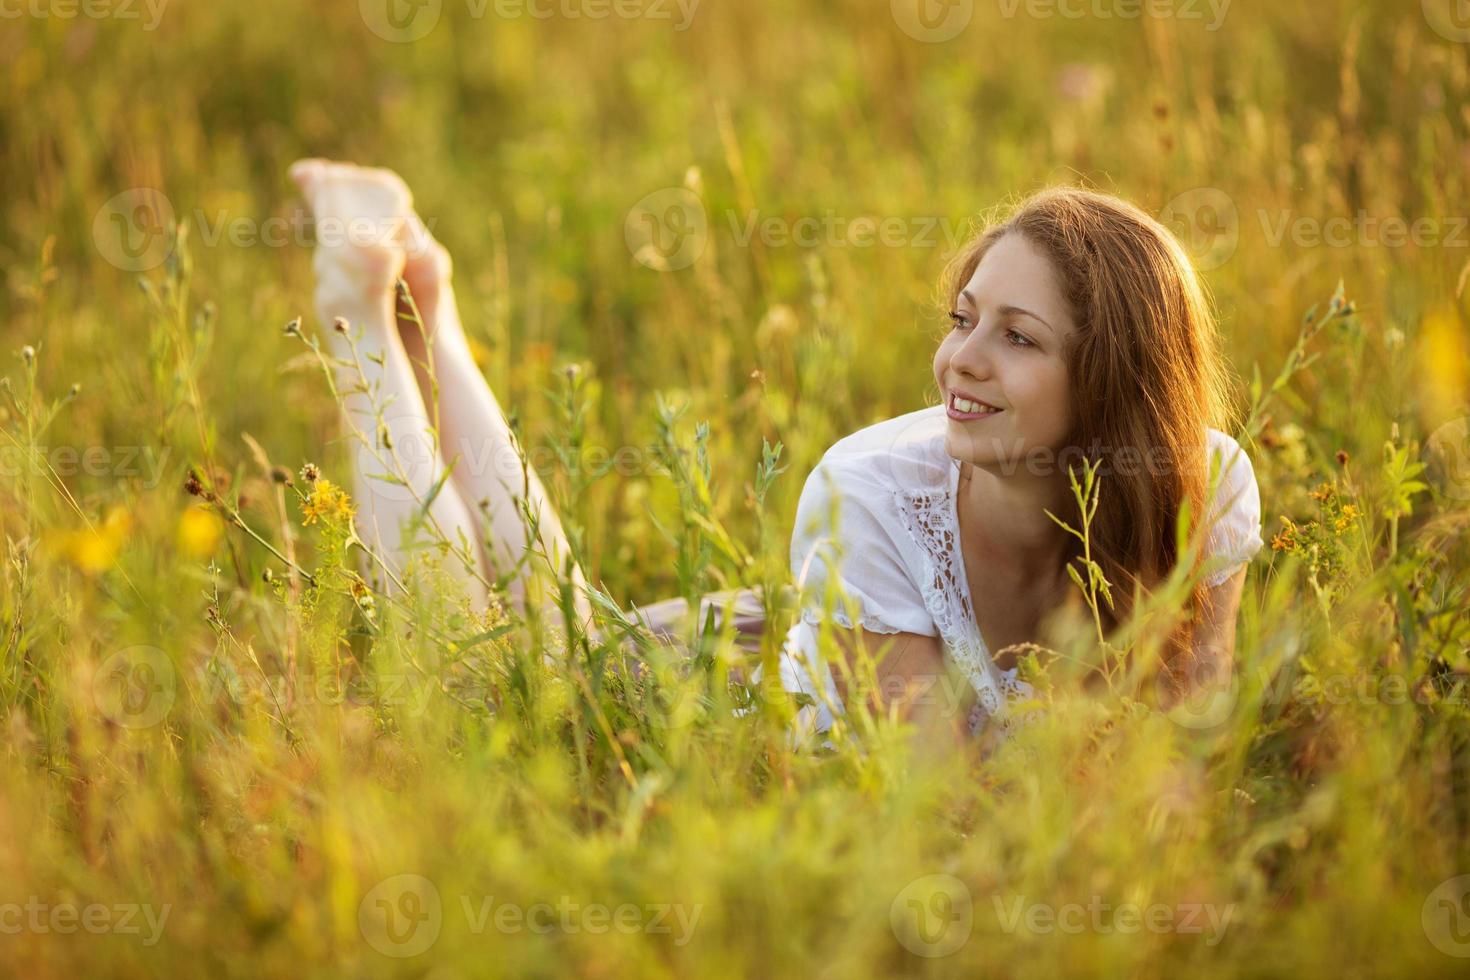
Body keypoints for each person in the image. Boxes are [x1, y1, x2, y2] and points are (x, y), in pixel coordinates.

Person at [289, 161, 1263, 752]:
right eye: (963, 318)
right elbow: (939, 809)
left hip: (826, 622)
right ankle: (362, 315)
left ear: (1113, 379)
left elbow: (1183, 750)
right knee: (487, 674)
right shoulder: (872, 488)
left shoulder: (1204, 486)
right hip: (768, 685)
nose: (959, 358)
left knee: (559, 628)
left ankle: (419, 285)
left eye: (1018, 336)